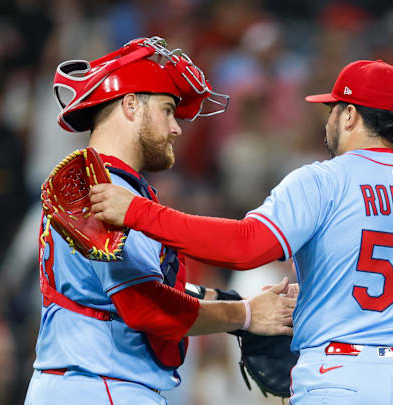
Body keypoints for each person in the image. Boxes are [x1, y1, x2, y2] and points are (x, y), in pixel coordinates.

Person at [91, 59, 393, 404]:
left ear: (350, 115)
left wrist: (138, 211)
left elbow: (245, 246)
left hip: (342, 378)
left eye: (332, 109)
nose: (328, 121)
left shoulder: (322, 180)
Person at [24, 38, 296, 405]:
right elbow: (144, 305)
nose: (176, 128)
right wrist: (245, 315)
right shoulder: (105, 189)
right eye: (168, 110)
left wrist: (237, 300)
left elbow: (149, 286)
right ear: (131, 104)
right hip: (99, 385)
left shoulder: (104, 181)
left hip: (86, 384)